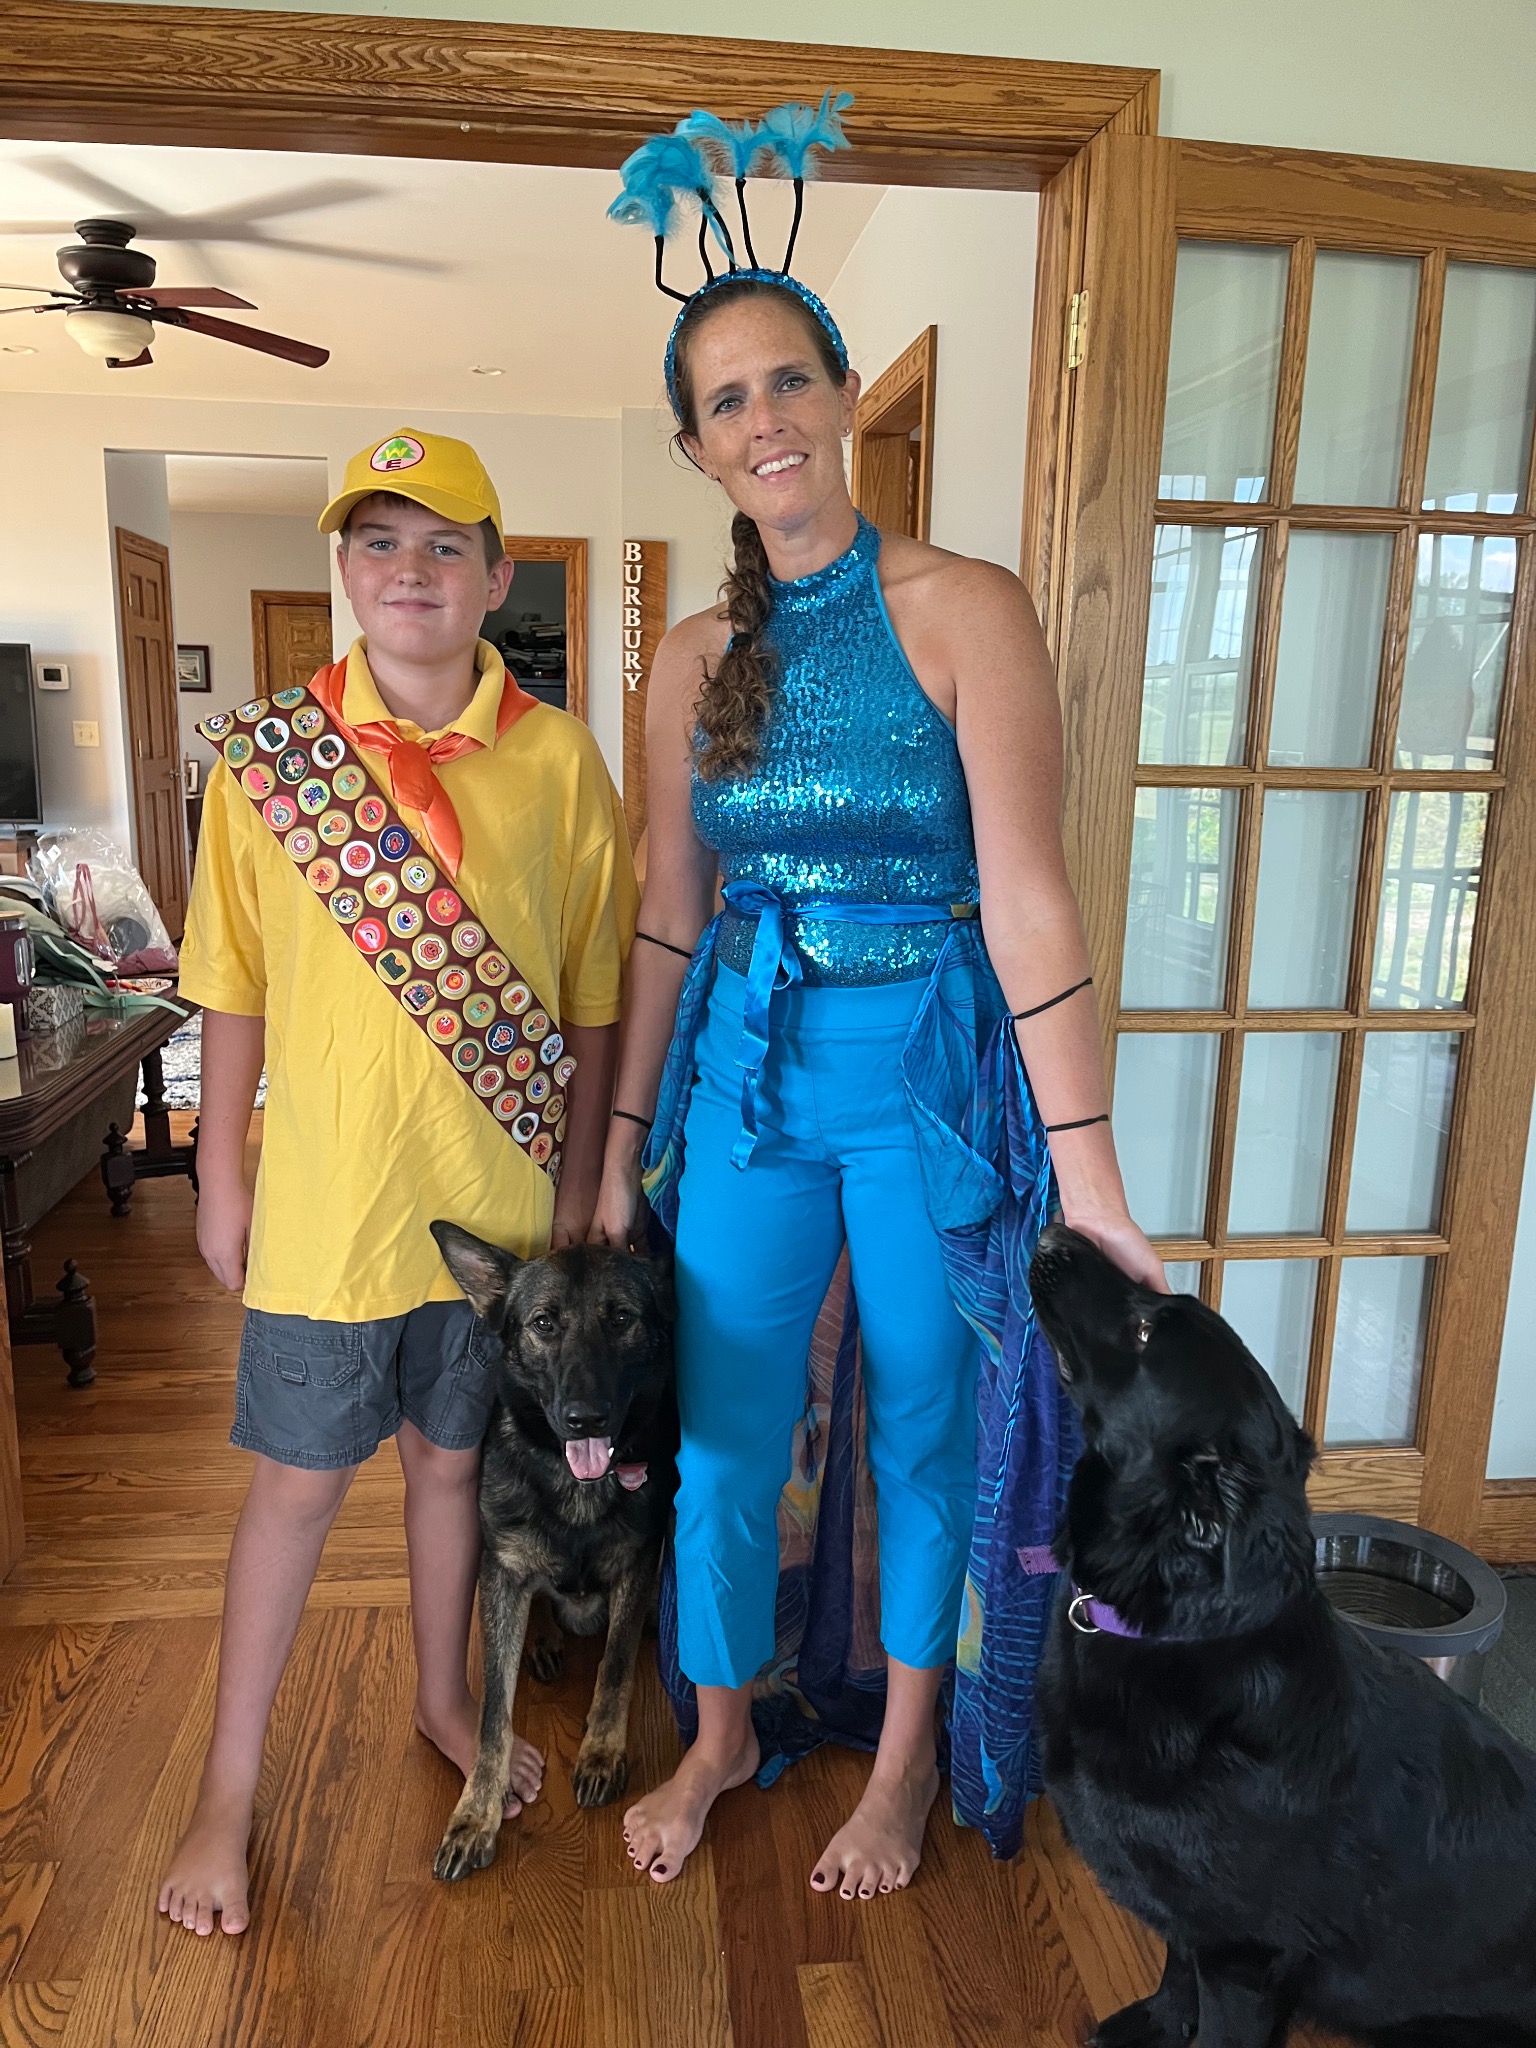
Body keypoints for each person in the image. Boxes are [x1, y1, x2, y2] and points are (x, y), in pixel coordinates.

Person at [593, 104, 1163, 1904]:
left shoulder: (965, 607)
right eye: (727, 402)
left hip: (927, 1077)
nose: (764, 419)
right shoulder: (690, 656)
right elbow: (668, 921)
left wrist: (1093, 1181)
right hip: (746, 1079)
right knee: (720, 1439)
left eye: (789, 380)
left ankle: (905, 1764)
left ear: (842, 396)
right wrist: (616, 1155)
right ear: (696, 447)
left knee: (926, 1423)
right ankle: (719, 1734)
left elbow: (1031, 896)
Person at [159, 429, 637, 1937]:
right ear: (343, 573)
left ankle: (443, 1700)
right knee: (298, 1488)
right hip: (325, 1206)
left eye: (444, 545)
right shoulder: (269, 759)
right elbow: (231, 984)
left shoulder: (561, 760)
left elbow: (597, 999)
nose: (410, 569)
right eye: (378, 541)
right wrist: (216, 1173)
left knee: (450, 1469)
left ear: (496, 577)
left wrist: (581, 1188)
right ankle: (226, 1794)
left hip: (498, 1226)